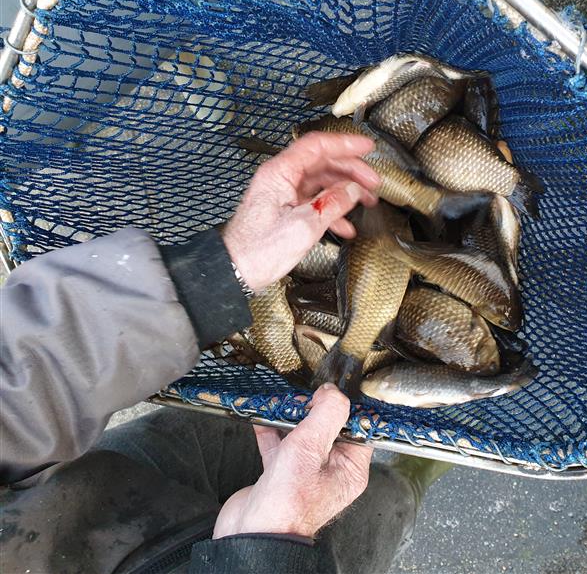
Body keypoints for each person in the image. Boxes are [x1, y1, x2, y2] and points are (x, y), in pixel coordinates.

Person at [0, 132, 449, 573]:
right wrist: (273, 548)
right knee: (372, 503)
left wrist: (215, 273)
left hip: (89, 493)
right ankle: (409, 481)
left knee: (249, 431)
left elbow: (19, 387)